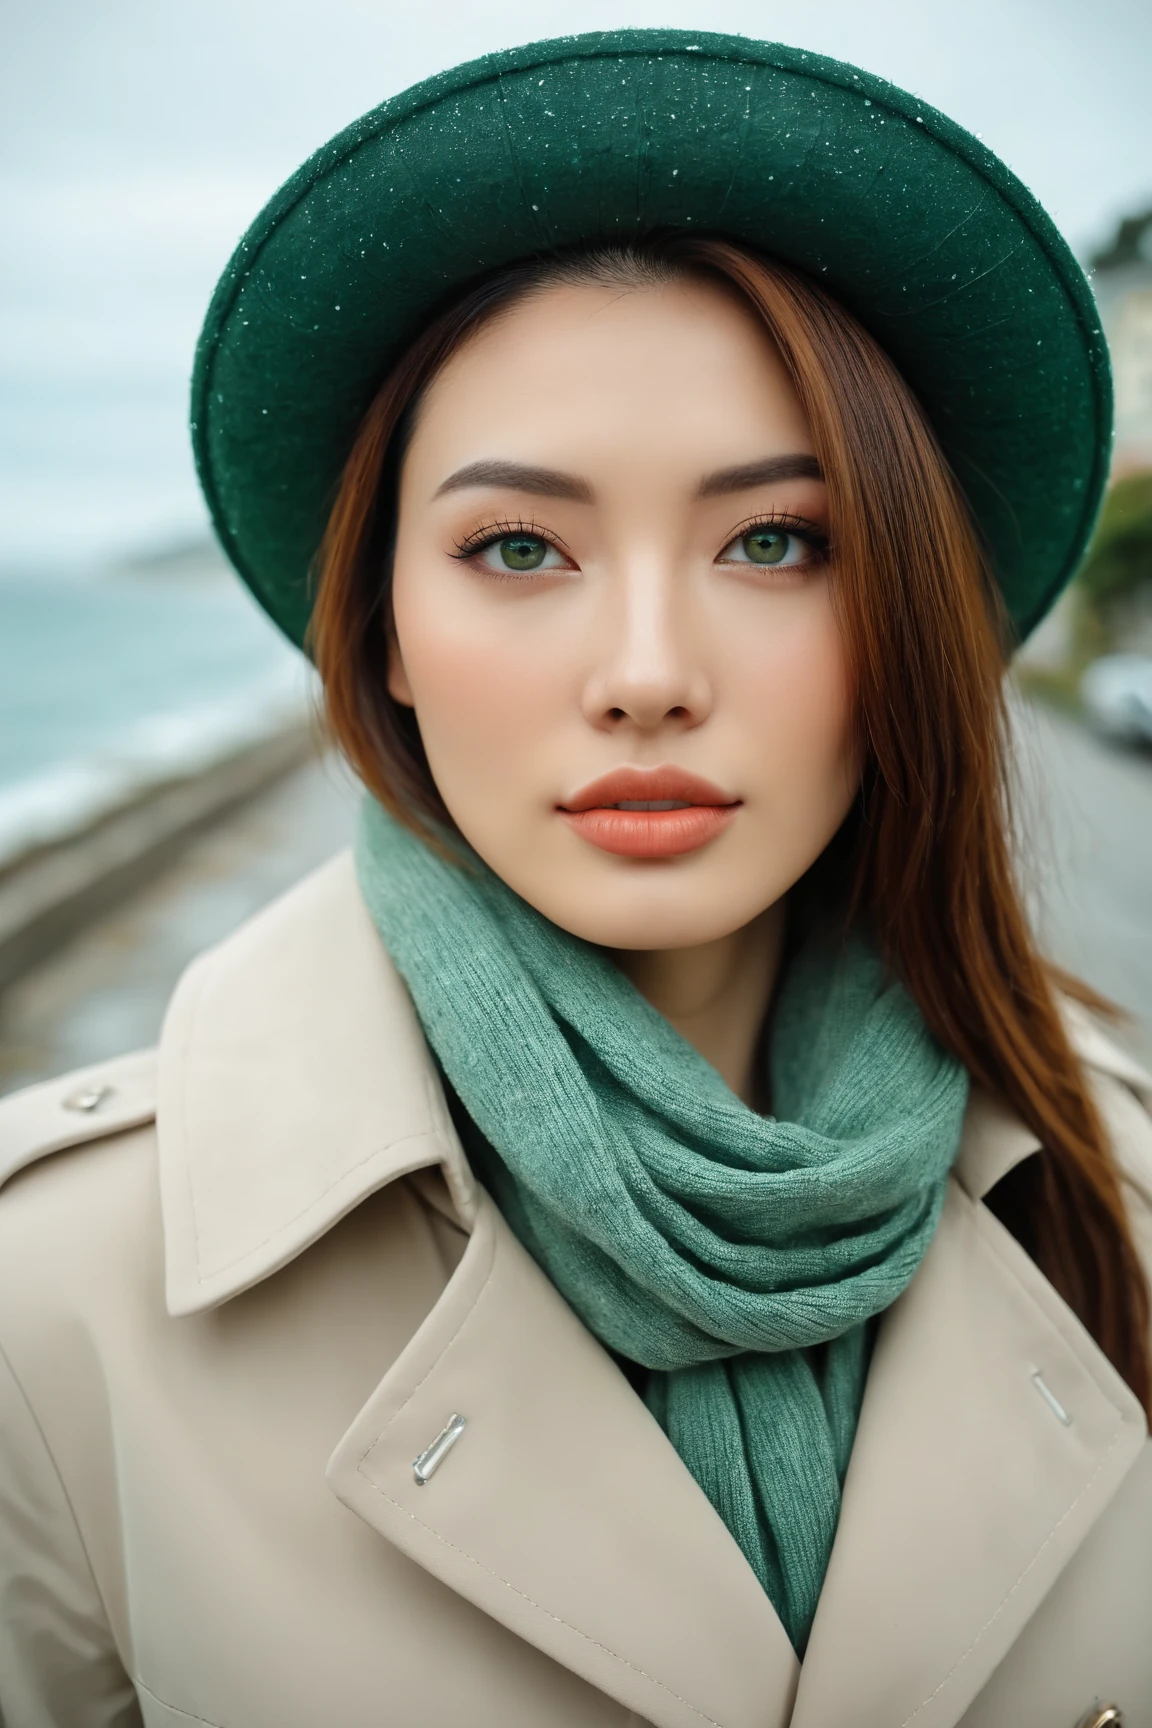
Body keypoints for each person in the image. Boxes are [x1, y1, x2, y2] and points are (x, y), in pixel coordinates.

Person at [1, 28, 1149, 1728]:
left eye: (778, 541)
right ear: (383, 629)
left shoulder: (1116, 1183)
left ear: (909, 613)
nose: (645, 671)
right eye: (518, 547)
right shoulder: (54, 1302)